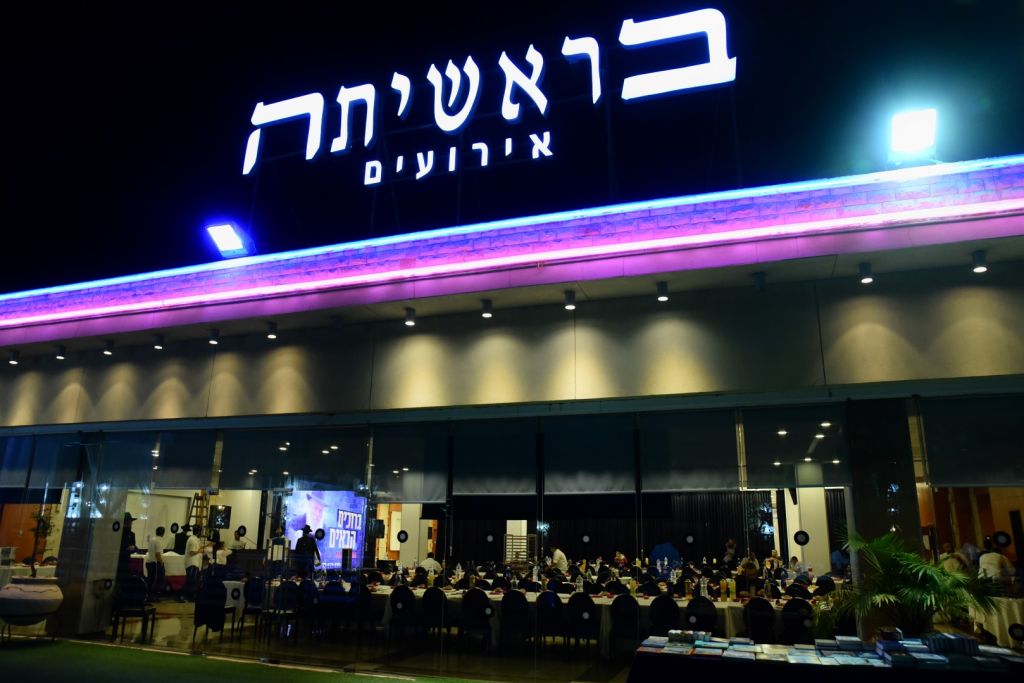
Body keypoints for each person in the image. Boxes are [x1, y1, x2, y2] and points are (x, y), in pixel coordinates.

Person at [182, 525, 203, 602]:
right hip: (192, 563)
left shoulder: (195, 539)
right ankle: (186, 597)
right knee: (190, 581)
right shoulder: (193, 540)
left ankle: (190, 597)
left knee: (193, 582)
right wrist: (199, 551)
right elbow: (192, 553)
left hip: (194, 563)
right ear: (199, 532)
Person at [145, 525, 167, 597]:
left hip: (149, 562)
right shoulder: (159, 541)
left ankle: (148, 595)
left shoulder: (152, 539)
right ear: (163, 533)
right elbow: (157, 554)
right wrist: (161, 562)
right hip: (155, 563)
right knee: (158, 580)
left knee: (150, 581)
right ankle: (154, 595)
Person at [117, 513, 139, 582]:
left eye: (130, 522)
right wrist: (127, 548)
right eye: (128, 522)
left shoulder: (132, 534)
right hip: (118, 561)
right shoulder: (118, 533)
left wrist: (133, 548)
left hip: (127, 562)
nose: (130, 524)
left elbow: (135, 547)